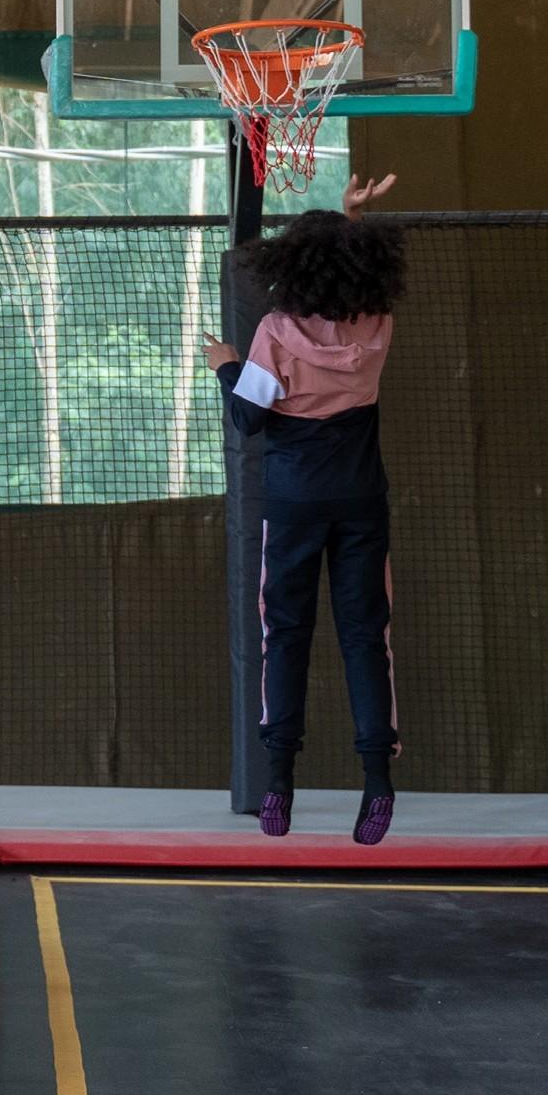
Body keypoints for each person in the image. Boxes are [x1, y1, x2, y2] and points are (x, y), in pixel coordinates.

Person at [203, 174, 405, 845]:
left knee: (284, 637)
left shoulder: (276, 333)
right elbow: (350, 274)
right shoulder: (377, 325)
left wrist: (226, 365)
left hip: (292, 506)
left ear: (291, 267)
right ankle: (377, 784)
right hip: (360, 504)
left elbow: (248, 418)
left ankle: (279, 784)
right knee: (364, 640)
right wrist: (351, 219)